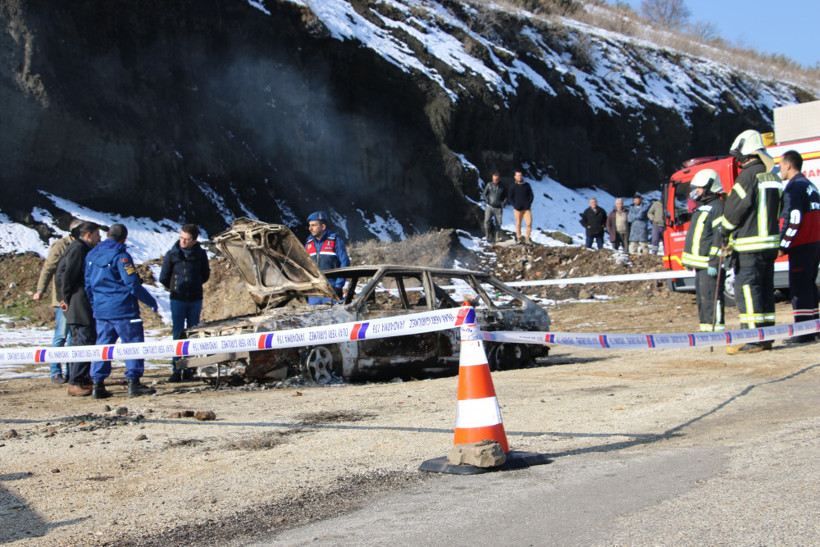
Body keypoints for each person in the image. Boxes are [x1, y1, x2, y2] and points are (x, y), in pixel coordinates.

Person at [719, 129, 783, 354]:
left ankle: (753, 339)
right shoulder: (772, 176)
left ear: (745, 152)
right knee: (765, 291)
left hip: (750, 246)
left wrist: (724, 230)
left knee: (747, 289)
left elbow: (734, 210)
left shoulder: (747, 176)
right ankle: (766, 337)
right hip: (769, 246)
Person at [84, 224, 158, 397]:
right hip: (124, 309)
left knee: (103, 346)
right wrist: (150, 301)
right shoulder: (122, 256)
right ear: (124, 239)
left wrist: (95, 305)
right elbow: (132, 283)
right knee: (132, 345)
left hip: (102, 310)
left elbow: (88, 285)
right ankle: (134, 383)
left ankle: (98, 385)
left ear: (107, 234)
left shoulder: (91, 255)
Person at [777, 150, 820, 344]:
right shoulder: (811, 186)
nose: (780, 170)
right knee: (809, 286)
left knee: (799, 288)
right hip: (814, 244)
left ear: (788, 165)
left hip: (802, 245)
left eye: (780, 165)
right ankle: (815, 327)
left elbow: (793, 219)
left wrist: (783, 245)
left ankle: (803, 332)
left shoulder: (794, 188)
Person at [55, 221, 101, 396]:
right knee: (83, 340)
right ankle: (76, 382)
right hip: (78, 303)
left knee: (82, 340)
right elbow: (66, 276)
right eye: (97, 235)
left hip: (78, 301)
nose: (99, 238)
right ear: (88, 235)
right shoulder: (78, 249)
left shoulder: (80, 248)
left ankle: (81, 378)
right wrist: (66, 298)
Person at [159, 224, 210, 381]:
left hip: (195, 299)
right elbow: (163, 277)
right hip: (178, 299)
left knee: (193, 333)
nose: (183, 241)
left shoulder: (201, 255)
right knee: (178, 333)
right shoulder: (172, 255)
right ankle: (177, 369)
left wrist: (195, 285)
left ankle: (191, 368)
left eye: (187, 239)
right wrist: (175, 288)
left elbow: (205, 275)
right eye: (181, 238)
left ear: (194, 241)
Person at [33, 219, 81, 383]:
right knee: (61, 335)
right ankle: (55, 371)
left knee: (73, 337)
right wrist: (40, 290)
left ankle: (70, 371)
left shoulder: (82, 246)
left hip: (76, 299)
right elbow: (49, 268)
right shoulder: (60, 245)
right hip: (61, 299)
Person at [681, 169, 726, 331]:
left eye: (699, 188)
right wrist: (688, 260)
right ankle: (705, 331)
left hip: (709, 264)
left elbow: (719, 237)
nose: (696, 191)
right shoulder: (702, 207)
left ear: (709, 187)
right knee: (703, 301)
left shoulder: (718, 207)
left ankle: (716, 332)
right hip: (700, 265)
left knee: (712, 300)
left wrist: (714, 262)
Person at [305, 211, 350, 305]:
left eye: (313, 225)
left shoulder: (336, 241)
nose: (310, 228)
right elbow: (305, 267)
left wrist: (338, 286)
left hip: (332, 290)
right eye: (309, 225)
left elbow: (345, 263)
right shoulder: (308, 244)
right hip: (314, 292)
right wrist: (304, 288)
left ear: (323, 226)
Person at [508, 171, 534, 245]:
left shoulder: (527, 185)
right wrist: (515, 205)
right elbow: (510, 198)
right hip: (517, 209)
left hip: (526, 208)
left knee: (529, 223)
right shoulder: (513, 187)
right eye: (518, 175)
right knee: (518, 224)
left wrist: (528, 203)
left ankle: (527, 238)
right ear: (515, 177)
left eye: (520, 175)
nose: (519, 177)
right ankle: (519, 237)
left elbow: (531, 195)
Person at [482, 172, 507, 243]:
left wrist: (503, 203)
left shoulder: (503, 187)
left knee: (498, 223)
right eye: (494, 179)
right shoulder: (489, 185)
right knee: (487, 221)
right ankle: (487, 236)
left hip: (498, 208)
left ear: (499, 179)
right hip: (489, 206)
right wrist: (487, 200)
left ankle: (497, 237)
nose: (495, 180)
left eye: (497, 179)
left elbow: (506, 196)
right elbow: (484, 194)